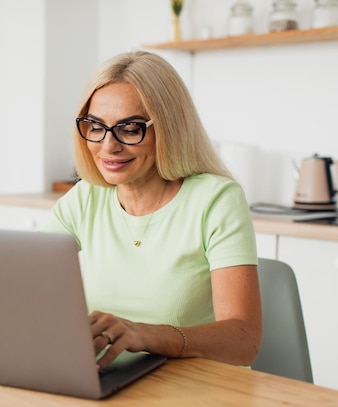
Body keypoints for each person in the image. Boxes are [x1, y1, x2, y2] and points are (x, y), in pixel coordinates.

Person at [41, 51, 262, 370]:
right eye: (96, 126)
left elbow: (244, 342)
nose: (108, 147)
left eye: (130, 129)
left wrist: (146, 335)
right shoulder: (88, 197)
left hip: (192, 389)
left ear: (169, 128)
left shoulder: (215, 199)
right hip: (109, 381)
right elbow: (27, 287)